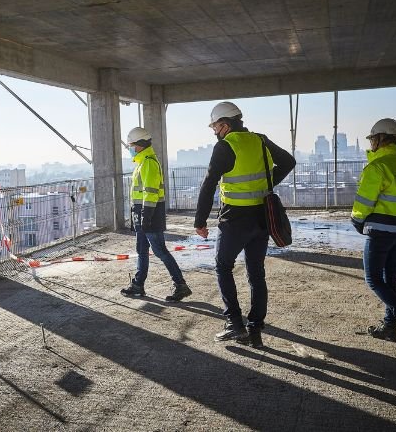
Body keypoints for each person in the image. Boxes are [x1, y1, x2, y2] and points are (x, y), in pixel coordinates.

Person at [194, 102, 295, 346]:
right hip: (262, 218)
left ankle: (234, 324)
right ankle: (255, 328)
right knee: (256, 273)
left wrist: (200, 221)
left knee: (223, 267)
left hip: (235, 220)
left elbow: (208, 185)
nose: (214, 131)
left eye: (215, 126)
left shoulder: (225, 146)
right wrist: (268, 182)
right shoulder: (260, 140)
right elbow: (288, 162)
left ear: (225, 125)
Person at [352, 118, 396, 347]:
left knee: (373, 278)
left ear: (382, 139)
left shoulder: (377, 167)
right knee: (390, 278)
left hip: (381, 231)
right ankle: (389, 327)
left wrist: (357, 220)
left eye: (373, 138)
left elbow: (364, 202)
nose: (371, 142)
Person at [121, 127, 192, 302]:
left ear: (138, 145)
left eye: (130, 145)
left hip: (149, 214)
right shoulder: (142, 162)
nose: (129, 148)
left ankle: (181, 285)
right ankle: (138, 285)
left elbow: (150, 192)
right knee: (142, 251)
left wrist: (146, 216)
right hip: (143, 214)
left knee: (160, 250)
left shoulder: (149, 162)